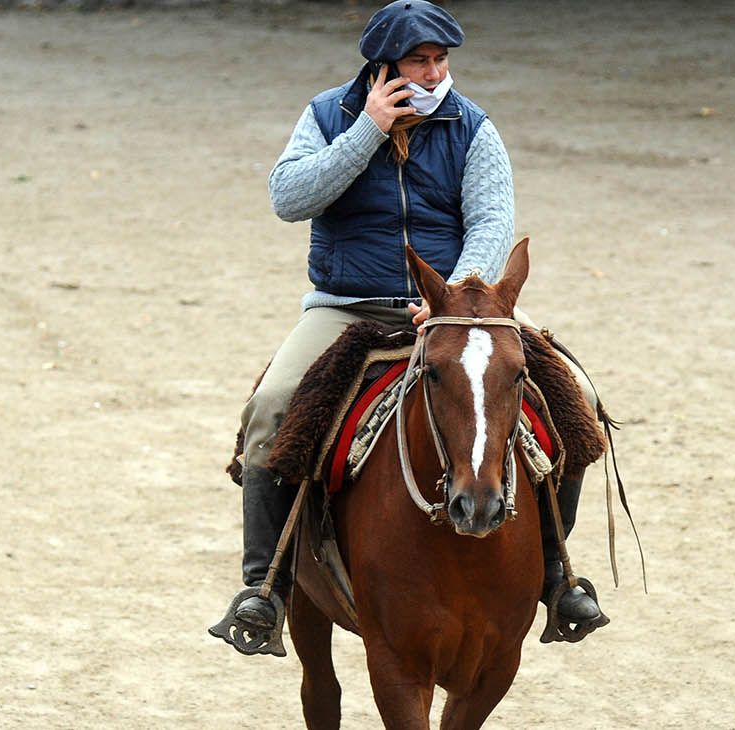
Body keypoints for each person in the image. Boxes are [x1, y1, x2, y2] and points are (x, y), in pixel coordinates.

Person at [222, 0, 604, 640]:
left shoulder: (474, 127)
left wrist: (455, 296)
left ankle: (556, 579)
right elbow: (289, 198)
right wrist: (366, 131)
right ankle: (265, 588)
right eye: (418, 62)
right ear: (382, 67)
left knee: (577, 400)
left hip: (460, 309)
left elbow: (490, 222)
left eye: (440, 60)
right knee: (270, 407)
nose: (432, 75)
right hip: (348, 307)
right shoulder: (326, 116)